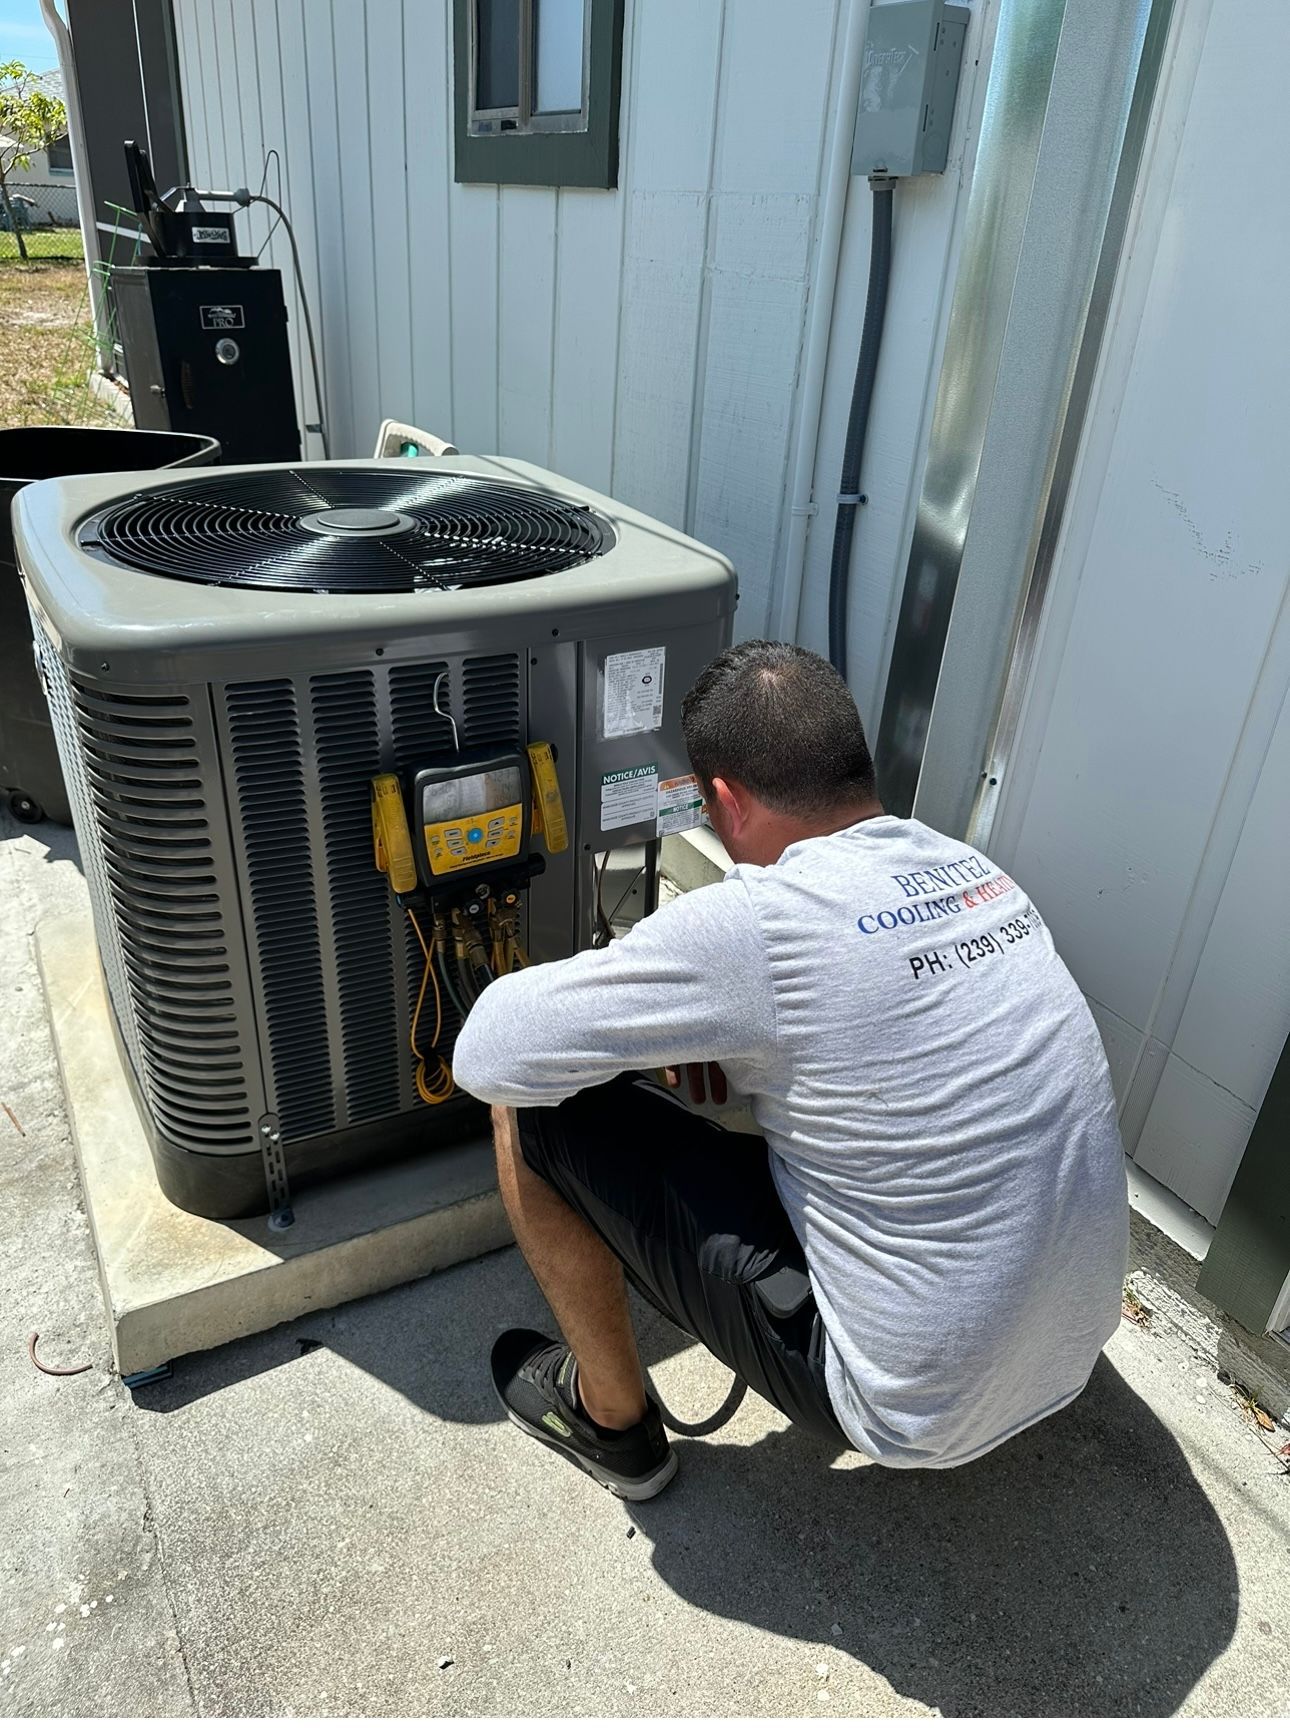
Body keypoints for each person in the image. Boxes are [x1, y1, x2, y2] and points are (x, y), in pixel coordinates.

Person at [451, 640, 1128, 1499]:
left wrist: (664, 1028)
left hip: (912, 1409)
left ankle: (611, 1424)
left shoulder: (762, 922)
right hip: (1073, 1345)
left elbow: (488, 1052)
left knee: (533, 1109)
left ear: (725, 800)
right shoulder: (979, 876)